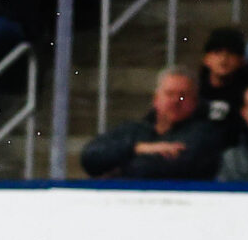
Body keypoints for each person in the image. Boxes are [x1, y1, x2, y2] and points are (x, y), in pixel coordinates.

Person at [79, 67, 223, 181]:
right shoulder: (133, 129)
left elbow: (158, 169)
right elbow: (90, 157)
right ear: (156, 99)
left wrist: (117, 168)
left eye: (183, 95)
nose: (176, 101)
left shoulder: (204, 134)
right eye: (169, 94)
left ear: (195, 102)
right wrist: (137, 148)